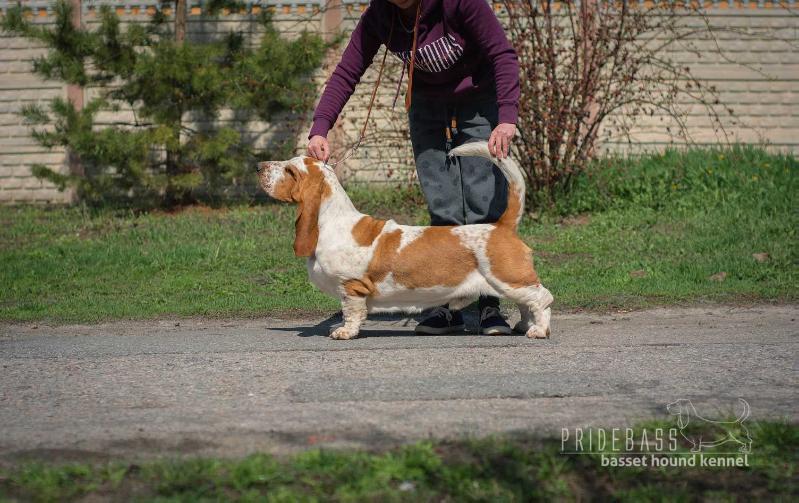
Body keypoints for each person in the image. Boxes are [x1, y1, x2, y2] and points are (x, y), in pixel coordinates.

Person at [307, 0, 519, 335]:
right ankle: (446, 306)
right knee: (443, 206)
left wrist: (506, 119)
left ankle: (491, 304)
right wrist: (321, 126)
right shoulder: (381, 13)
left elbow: (502, 54)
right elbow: (349, 69)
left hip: (479, 98)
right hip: (426, 103)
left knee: (483, 200)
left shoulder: (459, 3)